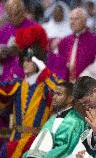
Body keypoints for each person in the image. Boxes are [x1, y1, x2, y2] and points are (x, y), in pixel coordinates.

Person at [0, 25, 61, 157]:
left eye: (30, 60)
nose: (25, 63)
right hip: (15, 140)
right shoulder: (17, 84)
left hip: (37, 143)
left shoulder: (46, 85)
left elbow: (62, 91)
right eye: (24, 60)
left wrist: (44, 70)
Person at [23, 82, 88, 158]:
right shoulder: (53, 118)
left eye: (59, 94)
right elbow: (42, 141)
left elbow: (66, 149)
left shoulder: (76, 121)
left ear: (70, 98)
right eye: (54, 94)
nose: (54, 97)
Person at [55, 7, 96, 83]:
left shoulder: (95, 40)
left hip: (86, 86)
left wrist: (84, 77)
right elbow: (56, 63)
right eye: (71, 19)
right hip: (67, 86)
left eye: (76, 19)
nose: (72, 22)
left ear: (85, 21)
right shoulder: (64, 41)